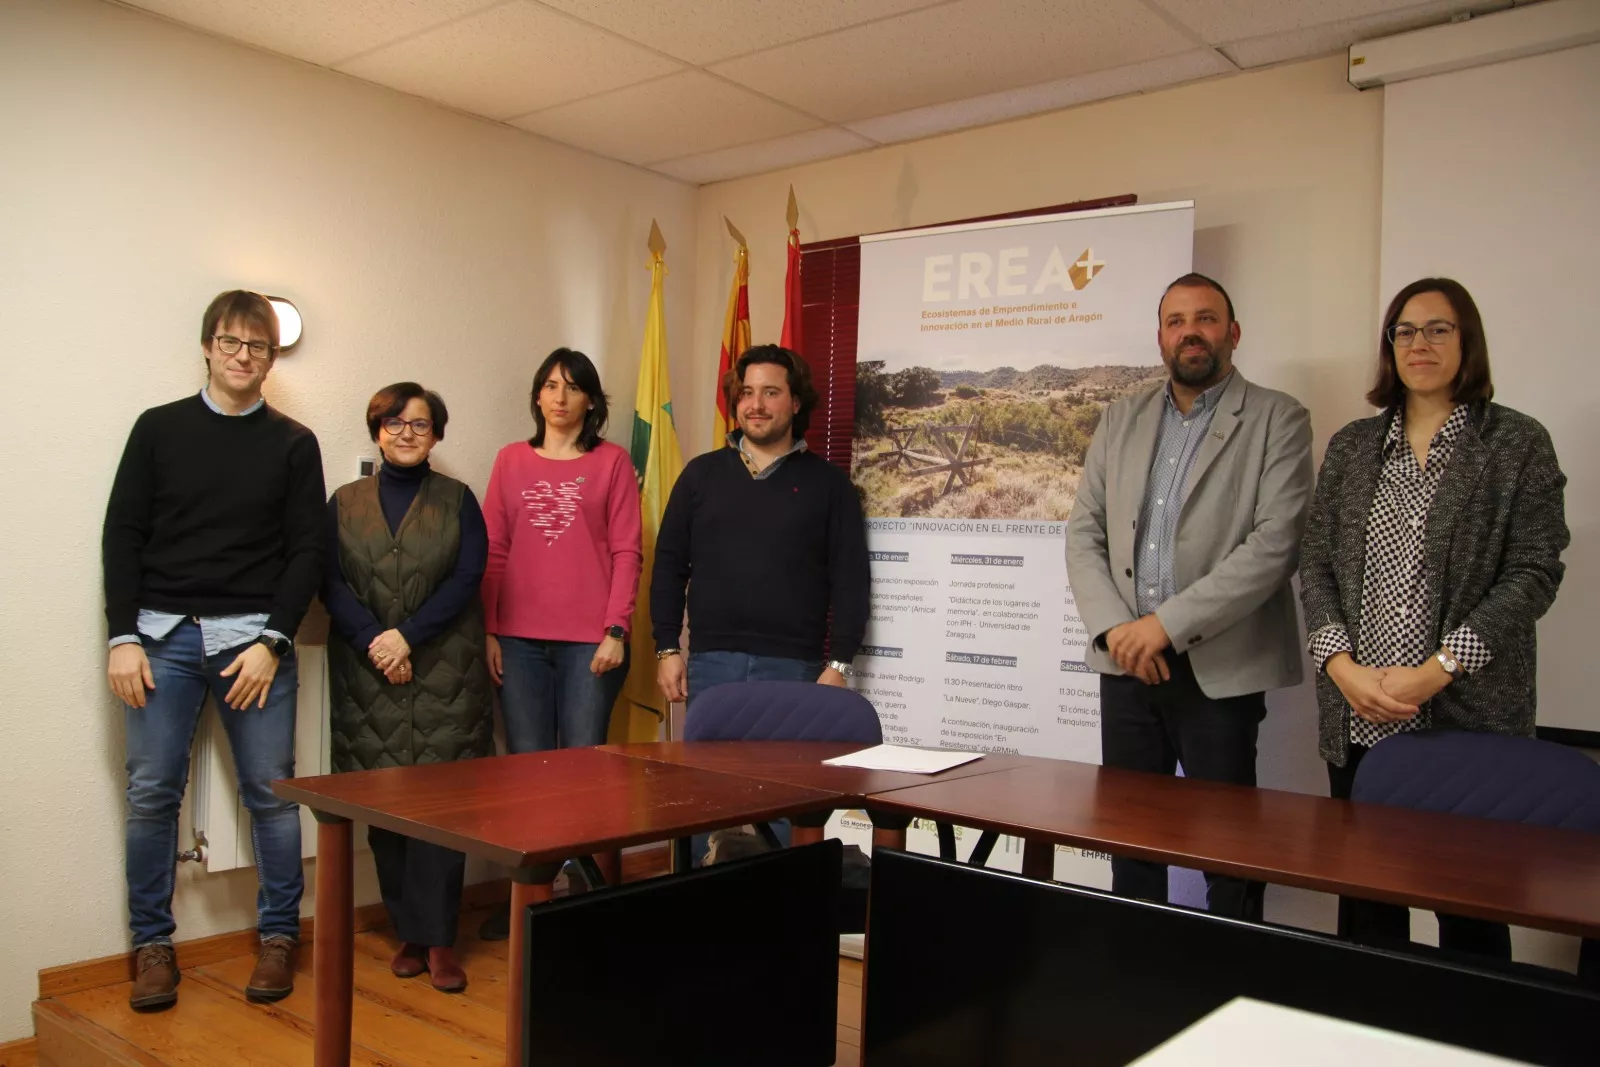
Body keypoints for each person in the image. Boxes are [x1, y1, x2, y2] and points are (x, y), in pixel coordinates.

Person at [1299, 277, 1568, 957]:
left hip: (1467, 713)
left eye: (1438, 329)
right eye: (1405, 331)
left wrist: (1438, 669)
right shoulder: (1355, 446)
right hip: (1361, 708)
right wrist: (1340, 668)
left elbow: (1535, 570)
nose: (1420, 344)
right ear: (1390, 347)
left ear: (1467, 339)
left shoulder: (1516, 443)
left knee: (1472, 910)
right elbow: (1318, 563)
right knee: (1368, 906)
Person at [1065, 273, 1314, 921]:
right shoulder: (1121, 418)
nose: (1190, 332)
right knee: (1130, 838)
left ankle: (1229, 980)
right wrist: (1118, 629)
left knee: (1227, 849)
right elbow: (1084, 530)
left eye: (1205, 318)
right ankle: (1136, 976)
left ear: (1232, 332)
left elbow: (1274, 543)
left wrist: (1164, 627)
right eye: (1176, 321)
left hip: (1221, 668)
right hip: (1125, 664)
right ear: (1160, 337)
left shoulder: (1277, 417)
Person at [103, 290, 324, 1010]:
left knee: (272, 794)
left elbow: (307, 551)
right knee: (150, 795)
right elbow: (122, 536)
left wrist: (273, 639)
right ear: (207, 346)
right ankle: (153, 946)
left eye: (257, 347)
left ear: (270, 359)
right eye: (230, 342)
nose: (242, 356)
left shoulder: (295, 443)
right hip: (160, 638)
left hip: (254, 641)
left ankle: (279, 937)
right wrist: (122, 635)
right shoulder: (158, 429)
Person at [323, 383, 491, 992]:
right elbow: (330, 580)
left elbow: (467, 575)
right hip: (369, 678)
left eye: (420, 424)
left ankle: (441, 938)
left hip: (444, 672)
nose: (406, 433)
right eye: (393, 422)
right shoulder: (343, 502)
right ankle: (408, 934)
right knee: (387, 811)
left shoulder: (457, 499)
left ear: (437, 435)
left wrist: (407, 637)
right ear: (376, 430)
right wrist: (377, 639)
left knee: (443, 816)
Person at [477, 348, 641, 939]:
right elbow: (493, 549)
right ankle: (531, 896)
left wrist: (617, 629)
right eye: (549, 385)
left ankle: (587, 904)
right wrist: (491, 629)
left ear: (591, 401)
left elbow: (627, 550)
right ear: (537, 396)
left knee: (583, 771)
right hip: (518, 641)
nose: (560, 397)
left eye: (573, 388)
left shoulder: (613, 462)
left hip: (589, 646)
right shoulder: (510, 461)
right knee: (527, 772)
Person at [652, 343, 871, 709]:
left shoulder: (830, 486)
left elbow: (851, 580)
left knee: (785, 770)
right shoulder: (699, 475)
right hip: (711, 664)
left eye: (771, 393)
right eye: (747, 393)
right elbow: (669, 567)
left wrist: (839, 663)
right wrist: (666, 648)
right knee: (708, 769)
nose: (756, 405)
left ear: (796, 402)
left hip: (796, 668)